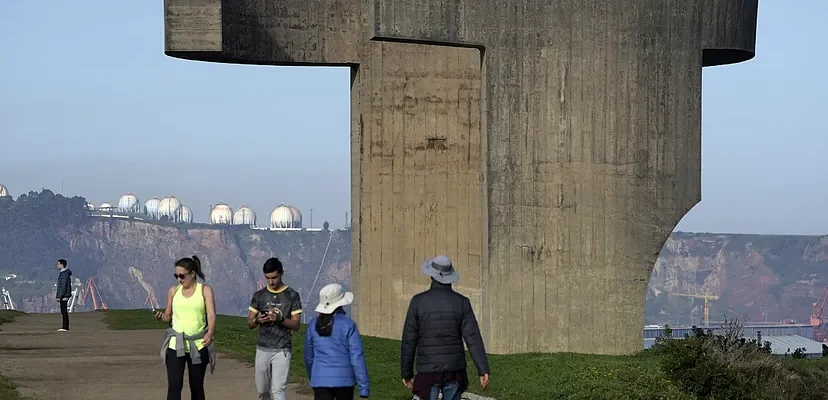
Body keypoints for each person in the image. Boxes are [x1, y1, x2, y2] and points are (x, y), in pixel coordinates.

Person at [400, 255, 490, 400]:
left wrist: (406, 372)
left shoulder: (418, 302)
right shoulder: (462, 302)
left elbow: (409, 340)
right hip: (454, 370)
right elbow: (472, 338)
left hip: (427, 370)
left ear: (432, 276)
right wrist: (483, 369)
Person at [154, 255, 217, 400]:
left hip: (198, 345)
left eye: (182, 276)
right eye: (176, 276)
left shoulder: (205, 290)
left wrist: (210, 332)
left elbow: (211, 314)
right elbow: (168, 316)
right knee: (174, 387)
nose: (179, 280)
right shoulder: (173, 291)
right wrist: (160, 317)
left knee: (197, 387)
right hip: (176, 345)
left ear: (192, 274)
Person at [247, 257, 303, 400]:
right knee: (262, 391)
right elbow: (249, 323)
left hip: (282, 349)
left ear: (281, 274)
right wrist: (258, 320)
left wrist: (281, 319)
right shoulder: (259, 295)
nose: (271, 282)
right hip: (262, 348)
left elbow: (296, 325)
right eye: (268, 278)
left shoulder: (292, 295)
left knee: (278, 390)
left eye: (274, 278)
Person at [304, 283, 370, 400]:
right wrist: (364, 387)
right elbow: (357, 357)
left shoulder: (313, 325)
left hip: (320, 380)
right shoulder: (348, 325)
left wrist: (313, 376)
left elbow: (309, 356)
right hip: (345, 381)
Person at [55, 259, 72, 332]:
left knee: (63, 311)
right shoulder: (64, 273)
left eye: (58, 264)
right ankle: (65, 326)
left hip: (64, 296)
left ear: (62, 265)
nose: (57, 265)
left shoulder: (64, 274)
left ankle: (65, 327)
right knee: (63, 311)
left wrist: (59, 296)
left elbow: (63, 286)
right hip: (65, 295)